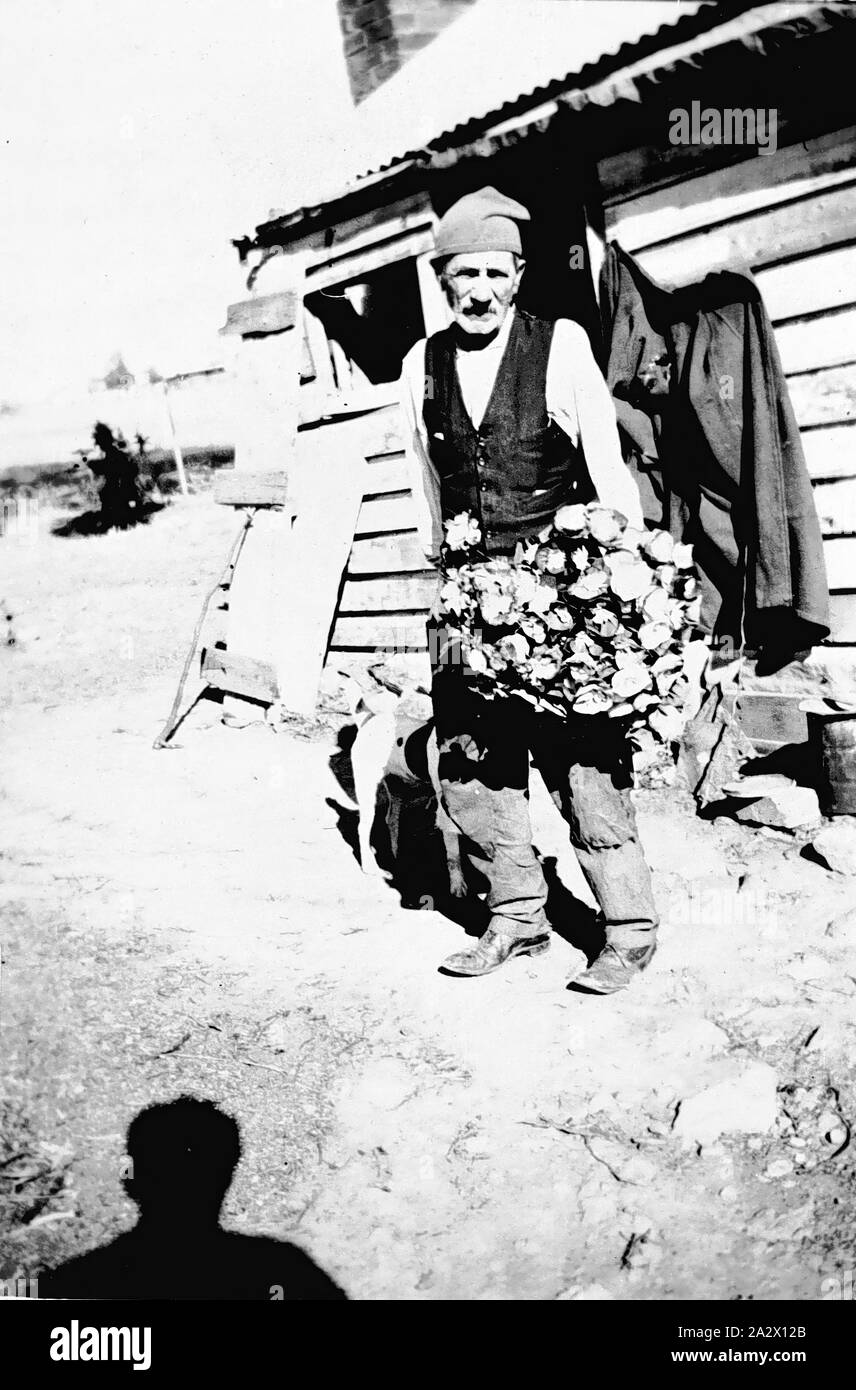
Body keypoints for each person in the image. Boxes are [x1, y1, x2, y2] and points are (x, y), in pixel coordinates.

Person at [399, 186, 659, 994]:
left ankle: (628, 931)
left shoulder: (562, 343)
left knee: (583, 766)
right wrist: (442, 585)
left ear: (516, 275)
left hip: (557, 599)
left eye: (493, 273)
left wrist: (621, 587)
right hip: (469, 601)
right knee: (474, 766)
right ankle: (516, 917)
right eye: (461, 275)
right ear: (442, 281)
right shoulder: (422, 364)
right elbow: (425, 488)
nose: (477, 290)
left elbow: (610, 475)